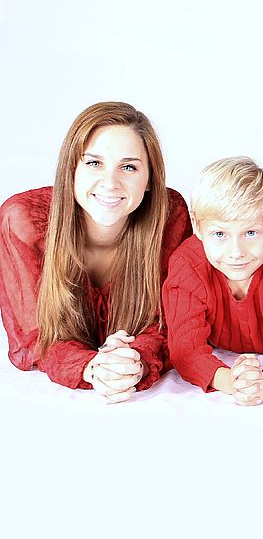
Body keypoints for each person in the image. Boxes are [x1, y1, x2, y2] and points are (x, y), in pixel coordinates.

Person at [0, 102, 191, 402]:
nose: (110, 183)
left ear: (151, 179)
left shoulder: (170, 216)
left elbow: (175, 322)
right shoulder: (24, 221)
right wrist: (92, 368)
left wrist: (134, 360)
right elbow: (33, 339)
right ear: (71, 169)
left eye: (128, 167)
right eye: (93, 163)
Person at [162, 157, 263, 406]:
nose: (236, 252)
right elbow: (185, 348)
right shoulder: (188, 264)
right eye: (220, 234)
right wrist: (231, 381)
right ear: (198, 228)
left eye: (251, 233)